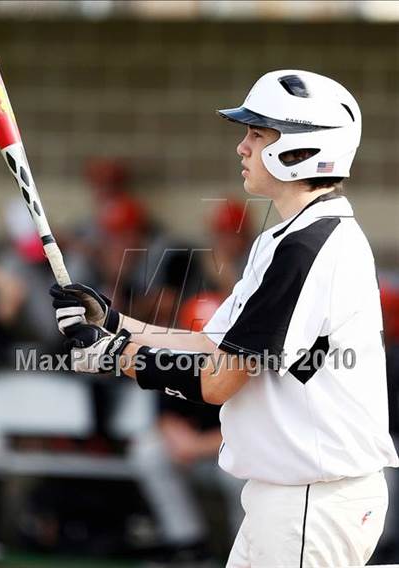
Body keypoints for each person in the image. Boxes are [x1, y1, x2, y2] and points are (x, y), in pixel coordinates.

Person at [50, 70, 399, 567]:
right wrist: (115, 322)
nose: (243, 147)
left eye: (258, 134)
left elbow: (219, 382)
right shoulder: (285, 238)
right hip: (294, 497)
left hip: (310, 502)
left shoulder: (308, 247)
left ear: (301, 148)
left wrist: (116, 356)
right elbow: (213, 343)